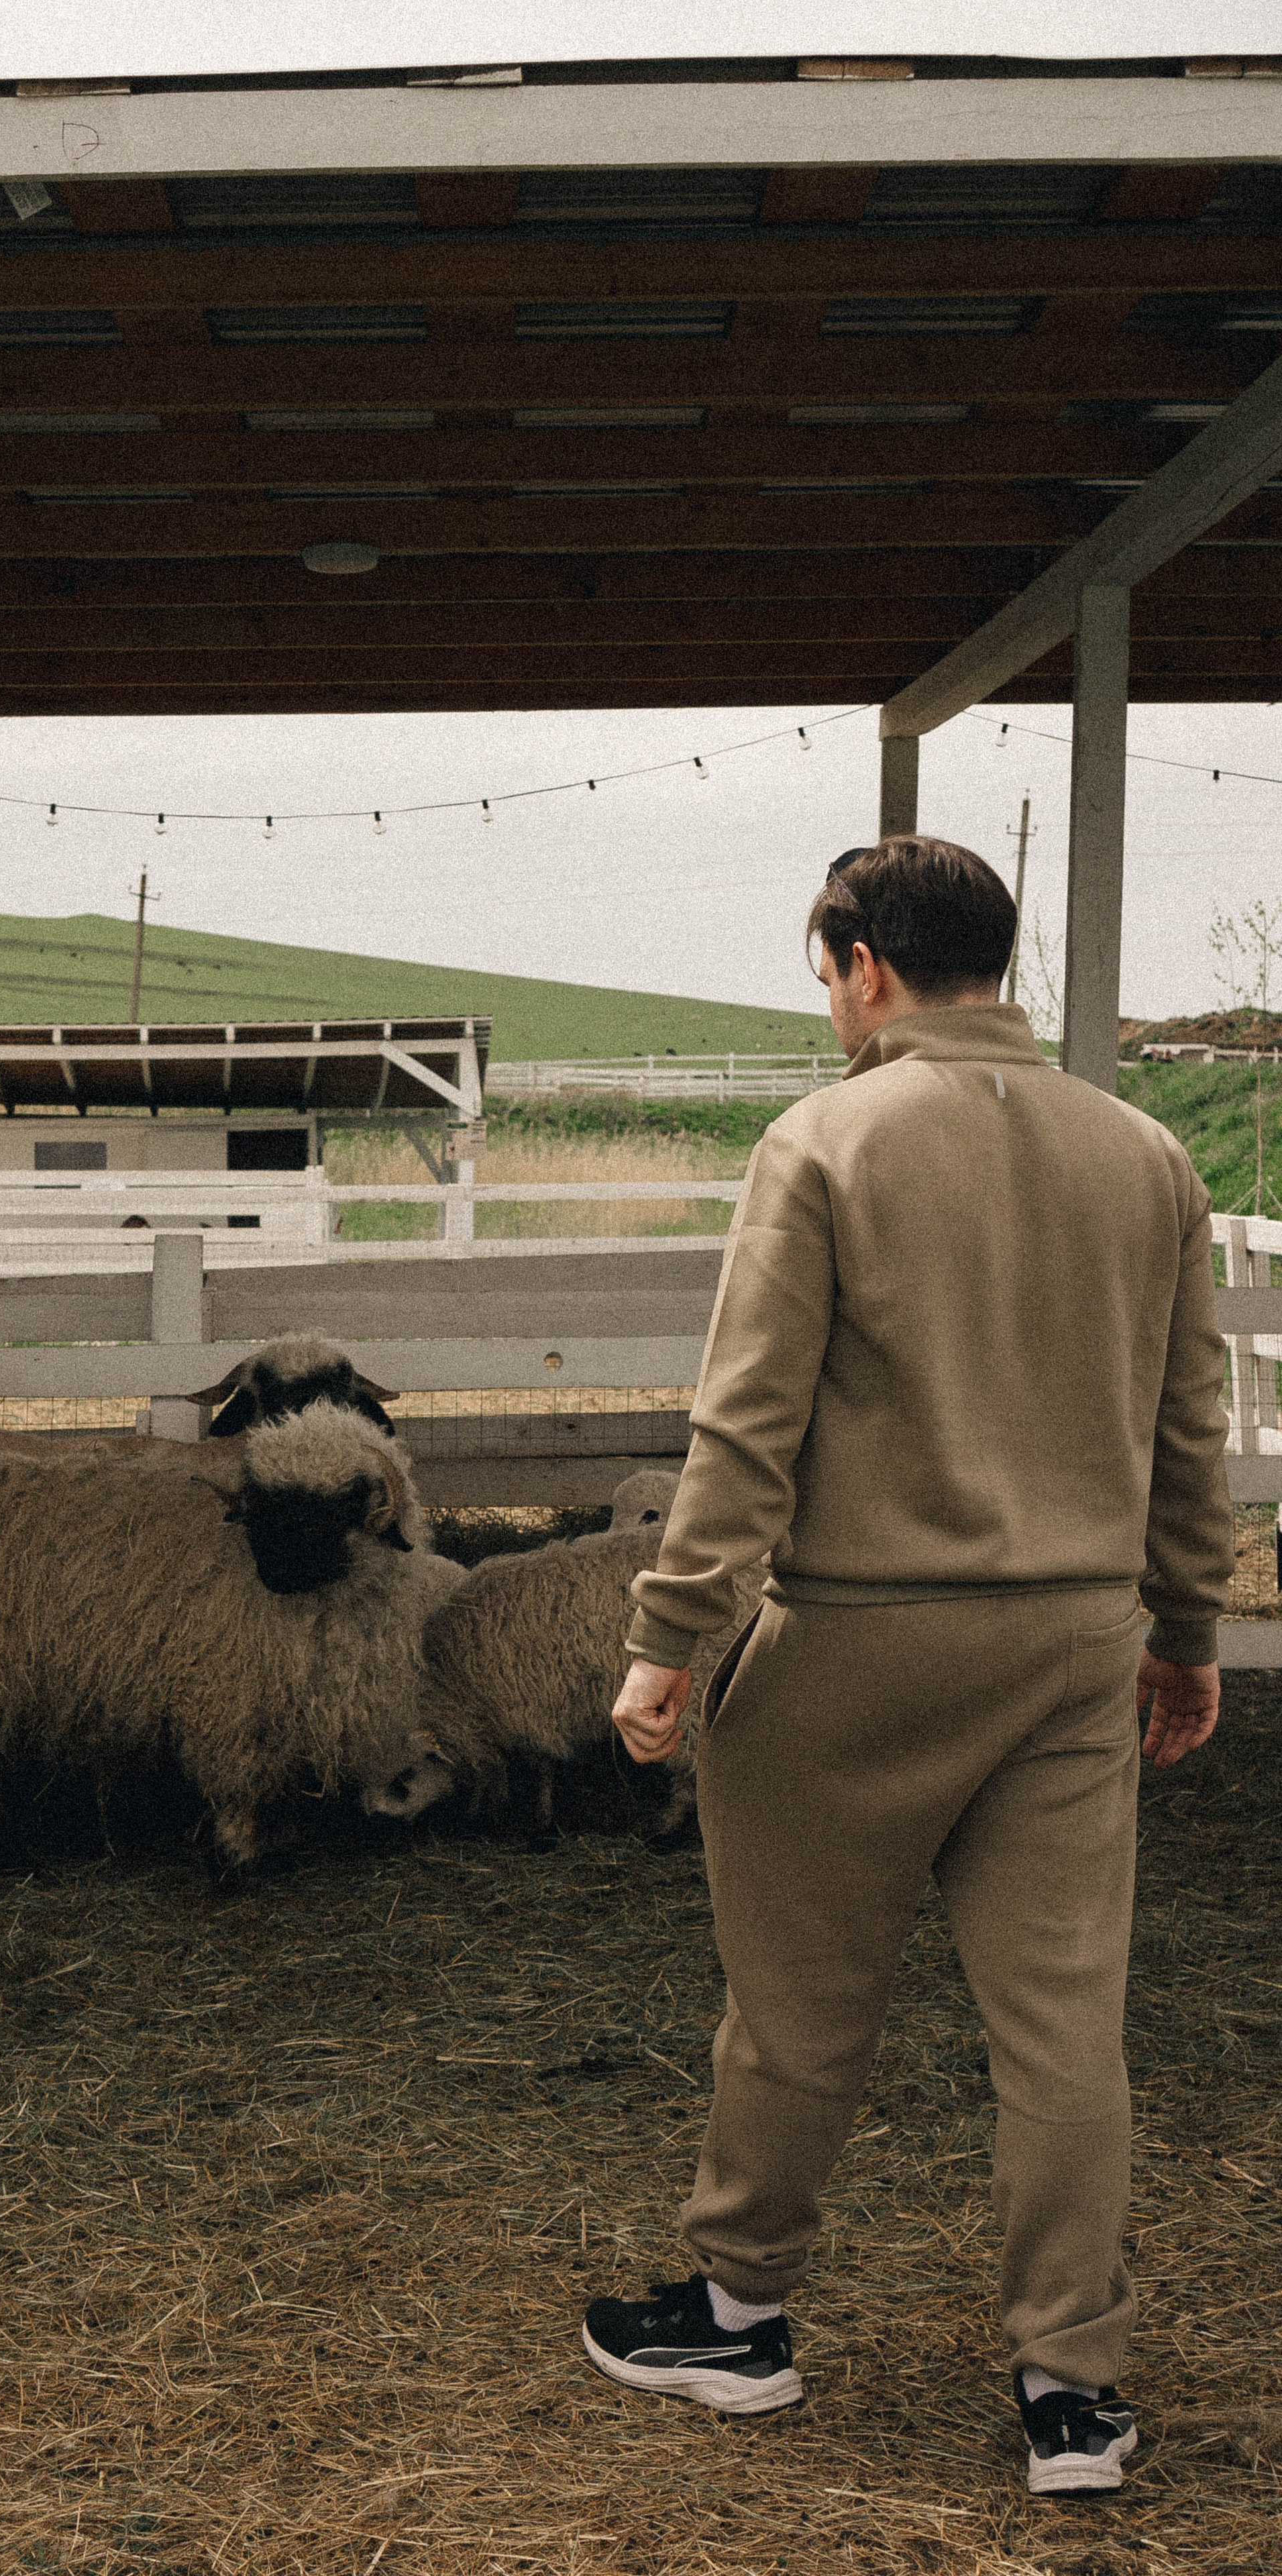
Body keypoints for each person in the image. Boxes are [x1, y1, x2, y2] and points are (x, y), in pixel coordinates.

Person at [580, 835, 1231, 2498]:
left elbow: (746, 1425)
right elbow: (1184, 1426)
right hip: (1075, 1650)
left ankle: (736, 2318)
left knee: (796, 2006)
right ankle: (1071, 2391)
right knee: (1063, 2029)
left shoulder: (823, 1144)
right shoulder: (1145, 1156)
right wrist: (1182, 1627)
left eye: (823, 973)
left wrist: (670, 1641)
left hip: (856, 1642)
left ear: (860, 962)